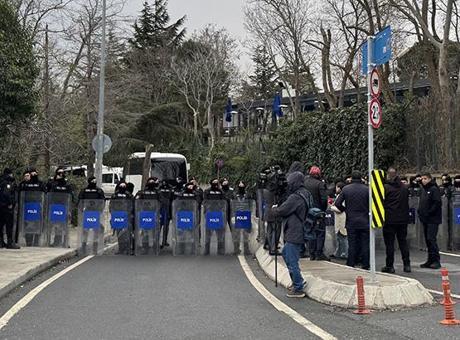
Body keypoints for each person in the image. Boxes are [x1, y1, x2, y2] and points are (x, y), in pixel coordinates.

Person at [270, 171, 312, 298]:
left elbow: (283, 210)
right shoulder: (306, 193)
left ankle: (298, 286)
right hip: (301, 229)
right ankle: (297, 282)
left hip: (295, 231)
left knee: (291, 258)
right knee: (286, 253)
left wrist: (274, 209)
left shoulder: (295, 197)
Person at [334, 171, 370, 270]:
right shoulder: (367, 190)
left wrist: (344, 209)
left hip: (351, 220)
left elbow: (337, 203)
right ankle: (366, 264)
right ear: (361, 178)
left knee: (352, 244)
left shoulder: (346, 189)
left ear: (351, 178)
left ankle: (351, 263)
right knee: (365, 244)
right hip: (364, 220)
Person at [381, 168, 411, 273]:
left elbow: (382, 203)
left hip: (390, 219)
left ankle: (390, 266)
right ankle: (407, 265)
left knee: (389, 244)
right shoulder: (404, 188)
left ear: (388, 175)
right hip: (403, 219)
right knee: (403, 242)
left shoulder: (386, 188)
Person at [304, 166, 329, 261]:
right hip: (318, 211)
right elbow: (323, 199)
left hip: (308, 211)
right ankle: (319, 253)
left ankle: (311, 253)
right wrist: (323, 209)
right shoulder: (320, 184)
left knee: (310, 231)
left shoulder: (305, 183)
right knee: (320, 232)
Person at [418, 172, 442, 269]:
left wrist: (429, 212)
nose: (423, 180)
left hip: (432, 219)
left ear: (429, 179)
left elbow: (437, 203)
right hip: (425, 219)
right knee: (428, 240)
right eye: (422, 179)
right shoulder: (424, 190)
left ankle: (436, 260)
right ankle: (430, 260)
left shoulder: (433, 189)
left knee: (431, 239)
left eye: (425, 178)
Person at [18, 168, 46, 246]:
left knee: (37, 224)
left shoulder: (40, 183)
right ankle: (29, 242)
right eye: (32, 174)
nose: (33, 175)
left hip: (37, 206)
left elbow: (45, 192)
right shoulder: (24, 184)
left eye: (35, 174)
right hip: (27, 206)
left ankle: (36, 242)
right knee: (28, 224)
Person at [47, 167, 73, 247]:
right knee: (53, 225)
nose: (61, 175)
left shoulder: (67, 184)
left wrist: (69, 209)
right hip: (54, 206)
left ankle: (64, 242)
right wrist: (55, 181)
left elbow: (71, 196)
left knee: (63, 225)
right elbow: (48, 191)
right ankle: (52, 241)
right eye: (59, 173)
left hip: (64, 206)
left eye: (62, 173)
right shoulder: (52, 183)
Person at [203, 178, 226, 255]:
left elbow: (224, 201)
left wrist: (221, 210)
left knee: (220, 232)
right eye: (214, 182)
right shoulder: (207, 191)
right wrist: (207, 211)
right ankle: (207, 250)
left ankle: (220, 250)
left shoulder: (220, 191)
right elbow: (205, 202)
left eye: (217, 182)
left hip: (218, 213)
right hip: (210, 213)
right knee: (208, 233)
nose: (216, 184)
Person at [110, 180, 133, 255]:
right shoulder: (115, 195)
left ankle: (128, 249)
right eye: (121, 186)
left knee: (127, 233)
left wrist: (130, 213)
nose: (122, 187)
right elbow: (111, 205)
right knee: (119, 233)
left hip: (126, 215)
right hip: (117, 215)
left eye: (124, 186)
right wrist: (112, 213)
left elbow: (132, 205)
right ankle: (121, 249)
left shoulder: (129, 195)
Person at [0, 168, 20, 249]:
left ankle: (1, 242)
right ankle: (10, 242)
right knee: (9, 225)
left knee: (0, 225)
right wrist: (10, 203)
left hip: (1, 206)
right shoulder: (7, 182)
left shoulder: (1, 181)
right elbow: (6, 194)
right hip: (7, 207)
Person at [330, 182, 347, 259]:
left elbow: (341, 209)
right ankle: (338, 252)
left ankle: (344, 253)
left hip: (342, 218)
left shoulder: (343, 196)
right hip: (339, 219)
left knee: (343, 237)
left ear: (340, 188)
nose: (335, 189)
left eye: (337, 187)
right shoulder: (339, 196)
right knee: (339, 237)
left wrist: (331, 207)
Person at [158, 179, 173, 248]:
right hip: (160, 209)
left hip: (167, 209)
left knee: (166, 227)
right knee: (159, 226)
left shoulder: (170, 189)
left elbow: (172, 199)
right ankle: (158, 241)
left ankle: (164, 241)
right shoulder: (158, 188)